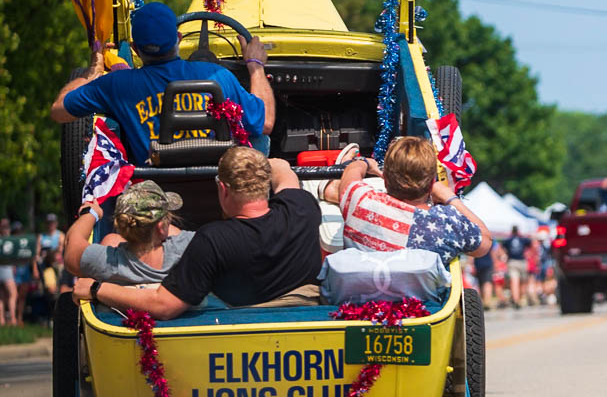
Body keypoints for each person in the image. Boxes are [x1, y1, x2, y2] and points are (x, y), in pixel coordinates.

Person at [71, 147, 321, 317]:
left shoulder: (212, 241)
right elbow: (284, 172)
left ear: (223, 189)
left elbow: (164, 306)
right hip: (309, 320)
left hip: (239, 335)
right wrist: (265, 165)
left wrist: (96, 289)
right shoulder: (304, 208)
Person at [49, 2, 274, 164]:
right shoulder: (218, 75)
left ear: (136, 50)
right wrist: (255, 66)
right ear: (178, 39)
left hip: (157, 196)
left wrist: (92, 71)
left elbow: (59, 111)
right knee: (257, 137)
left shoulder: (116, 85)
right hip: (216, 191)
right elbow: (266, 123)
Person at [337, 136, 492, 266]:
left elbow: (350, 174)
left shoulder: (361, 201)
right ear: (431, 184)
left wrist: (364, 162)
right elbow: (485, 242)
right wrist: (450, 197)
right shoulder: (449, 222)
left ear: (385, 180)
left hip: (358, 300)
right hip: (422, 302)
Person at [63, 181, 195, 286]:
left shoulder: (108, 262)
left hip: (123, 316)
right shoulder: (184, 249)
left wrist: (90, 213)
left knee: (111, 239)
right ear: (161, 227)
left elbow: (72, 247)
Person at [501, 227, 530, 309]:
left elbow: (501, 247)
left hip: (512, 261)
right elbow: (531, 244)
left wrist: (505, 255)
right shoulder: (523, 239)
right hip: (521, 261)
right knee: (522, 282)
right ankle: (519, 299)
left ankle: (516, 300)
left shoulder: (508, 240)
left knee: (515, 282)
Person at [0, 220, 18, 325]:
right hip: (5, 269)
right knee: (13, 294)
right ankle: (12, 319)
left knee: (1, 296)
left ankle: (1, 320)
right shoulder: (8, 240)